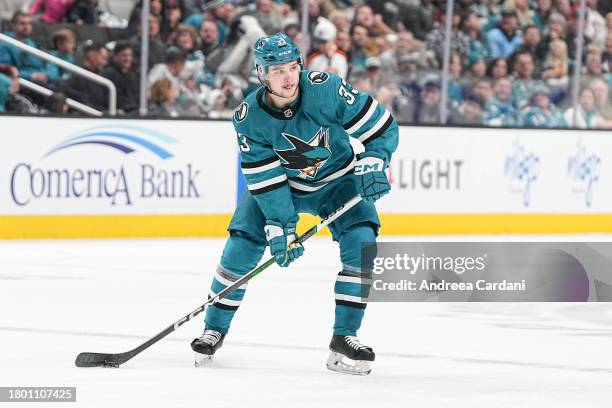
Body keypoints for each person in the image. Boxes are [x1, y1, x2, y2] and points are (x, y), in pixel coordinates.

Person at [190, 33, 398, 376]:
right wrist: (281, 227)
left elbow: (382, 127)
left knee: (362, 245)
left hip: (338, 183)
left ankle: (345, 337)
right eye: (276, 71)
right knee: (240, 248)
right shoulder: (248, 118)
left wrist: (375, 159)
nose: (287, 77)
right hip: (283, 188)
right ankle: (214, 329)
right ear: (261, 73)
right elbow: (266, 180)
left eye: (292, 67)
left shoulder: (326, 89)